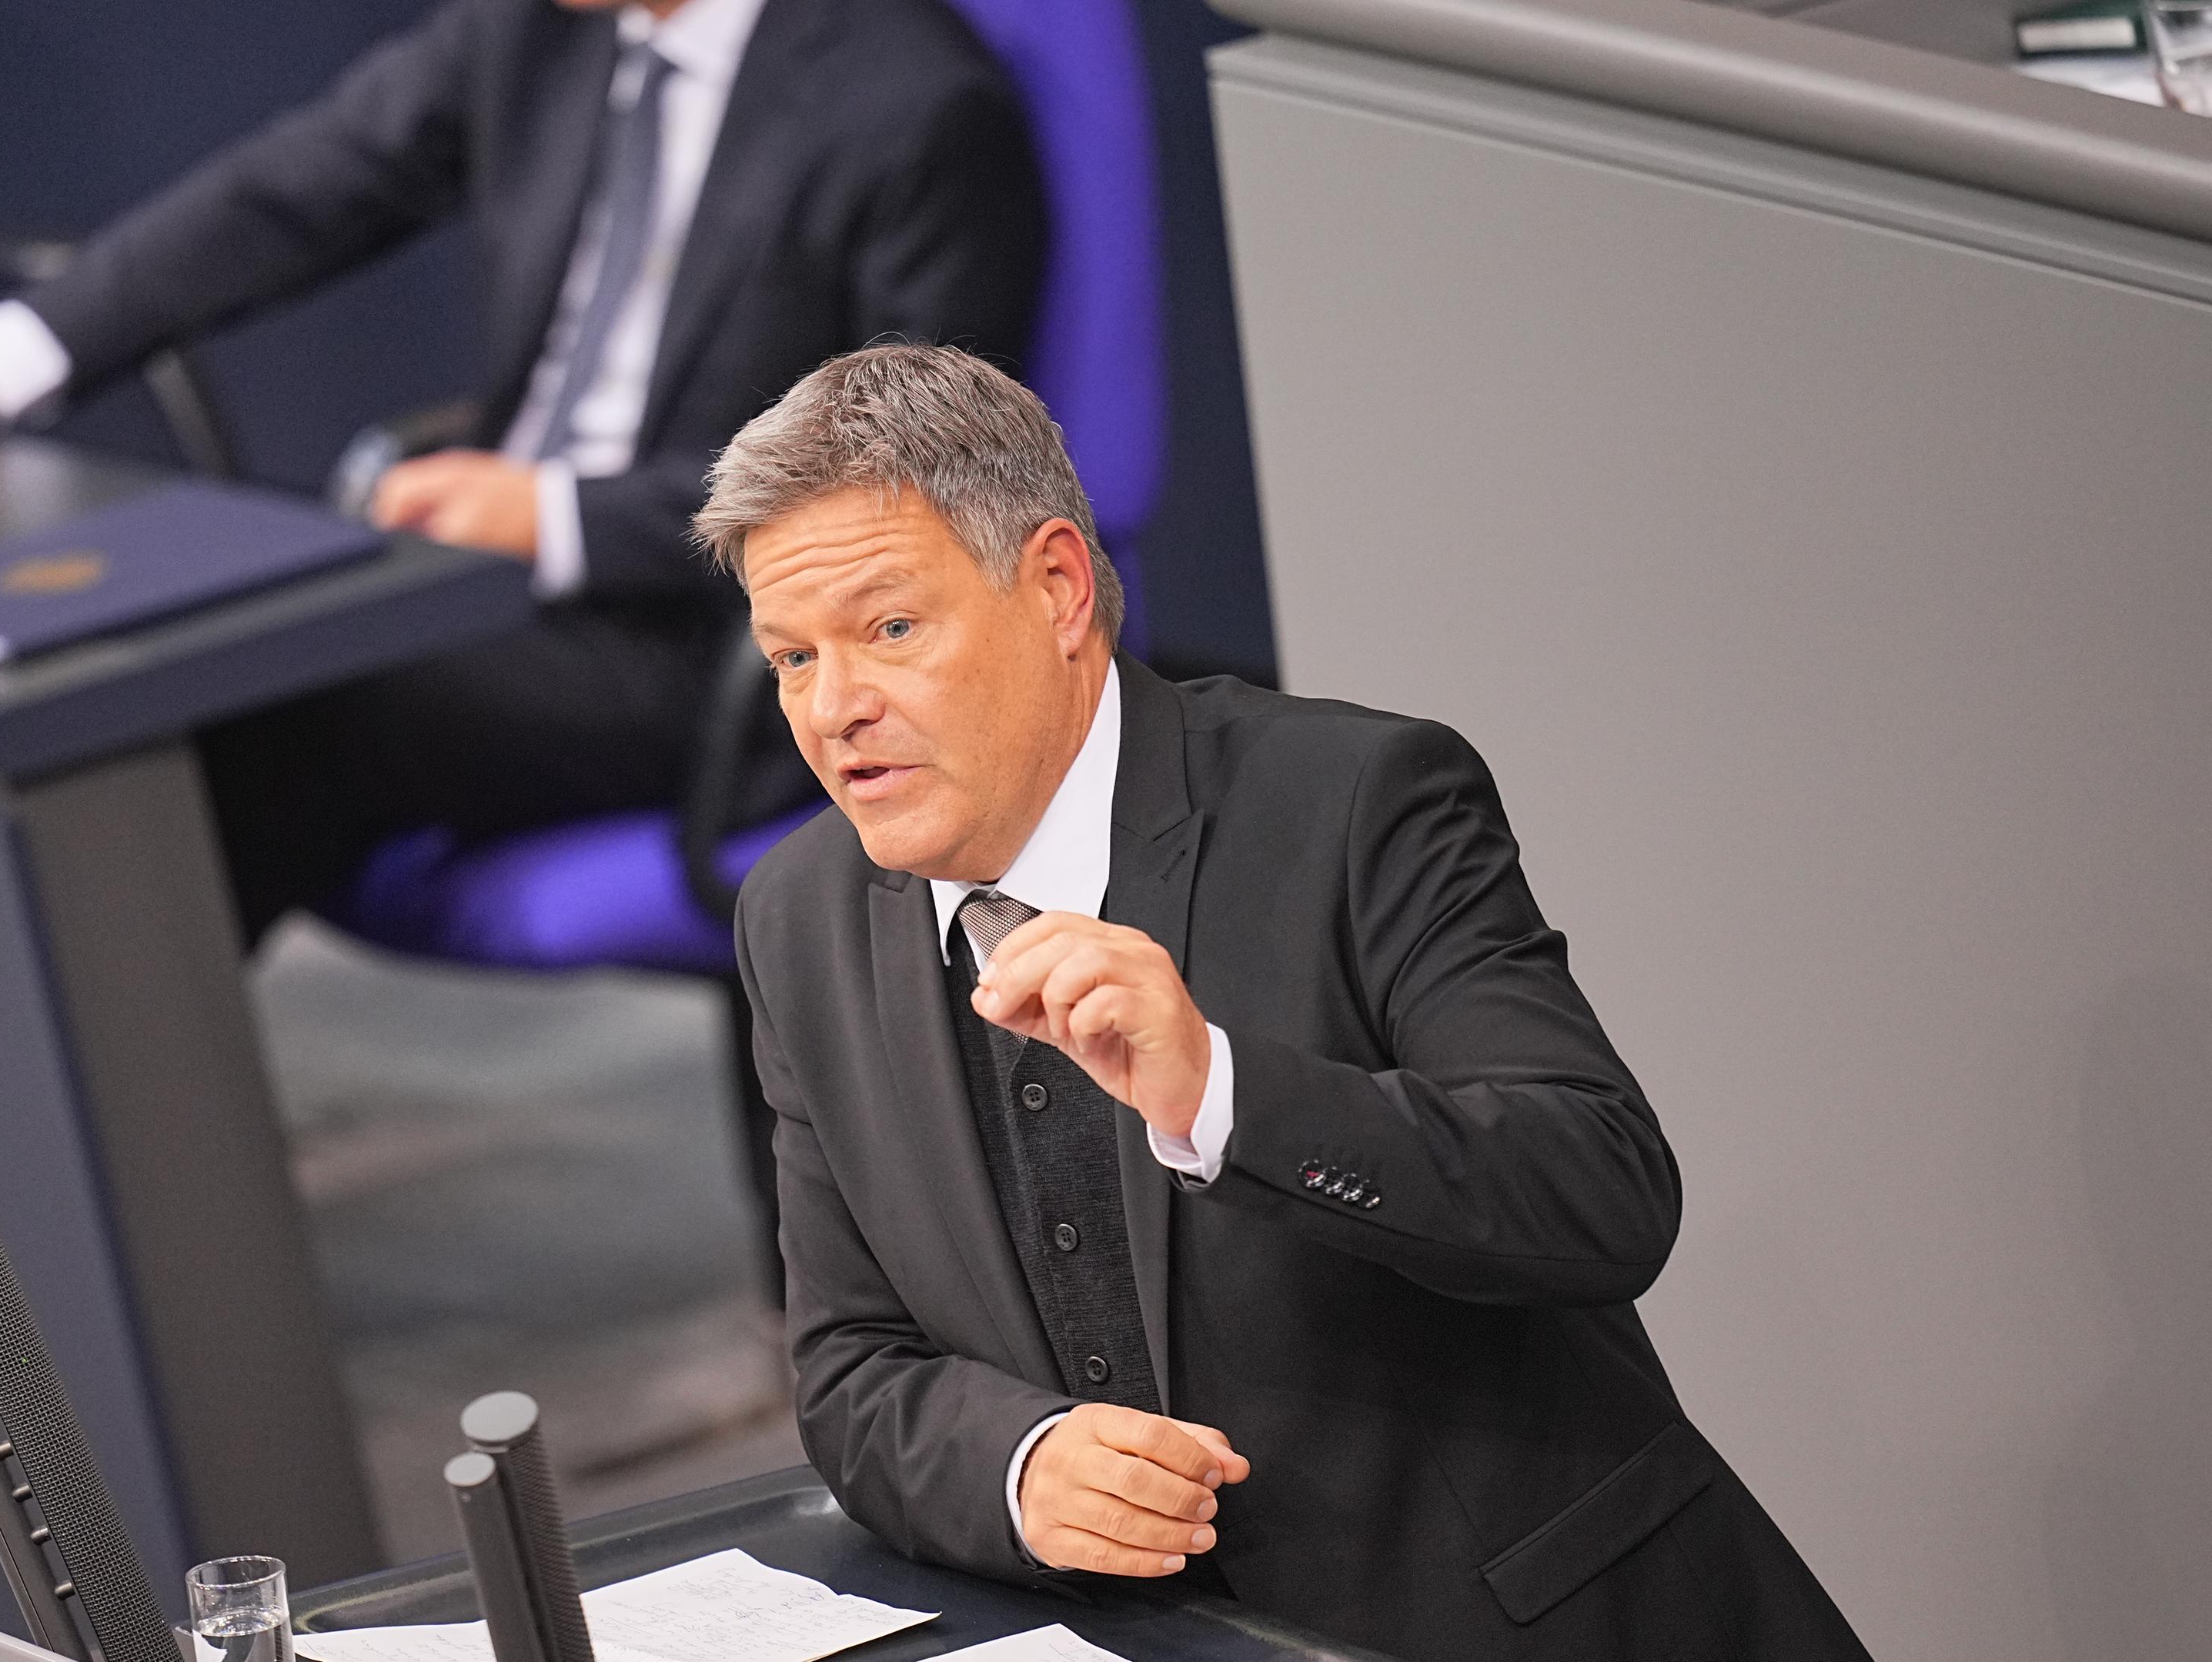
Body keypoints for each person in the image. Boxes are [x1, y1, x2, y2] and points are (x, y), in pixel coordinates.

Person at [697, 345, 1871, 1662]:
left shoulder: (1354, 801)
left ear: (1057, 589)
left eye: (890, 630)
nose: (834, 709)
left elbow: (1600, 1190)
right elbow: (855, 1369)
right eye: (792, 658)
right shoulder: (799, 919)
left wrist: (1218, 1092)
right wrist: (1021, 1468)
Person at [0, 0, 1044, 933]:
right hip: (474, 589)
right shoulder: (536, 34)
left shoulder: (917, 103)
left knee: (270, 705)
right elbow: (288, 192)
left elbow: (904, 486)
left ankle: (67, 1162)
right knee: (143, 644)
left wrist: (556, 515)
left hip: (715, 650)